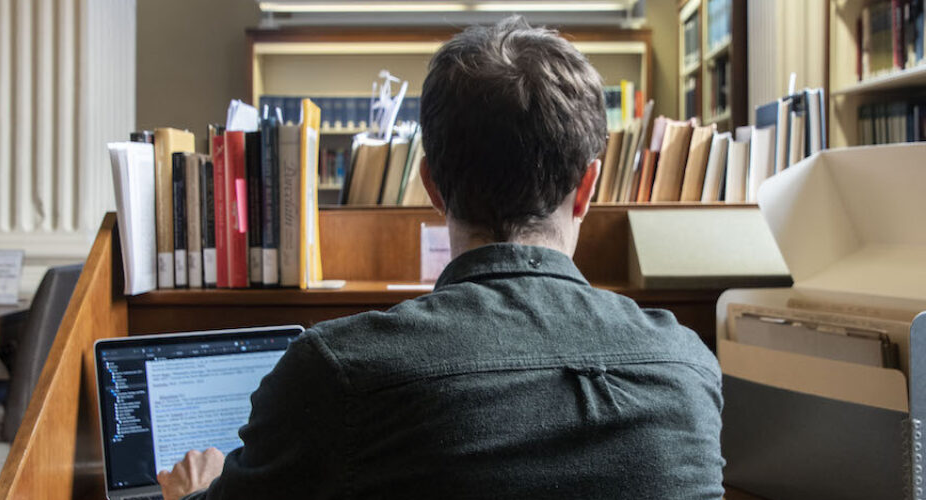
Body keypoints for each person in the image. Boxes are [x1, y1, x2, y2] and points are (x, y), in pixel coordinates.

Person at [157, 16, 724, 499]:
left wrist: (195, 490)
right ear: (587, 188)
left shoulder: (337, 373)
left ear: (430, 184)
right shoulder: (689, 369)